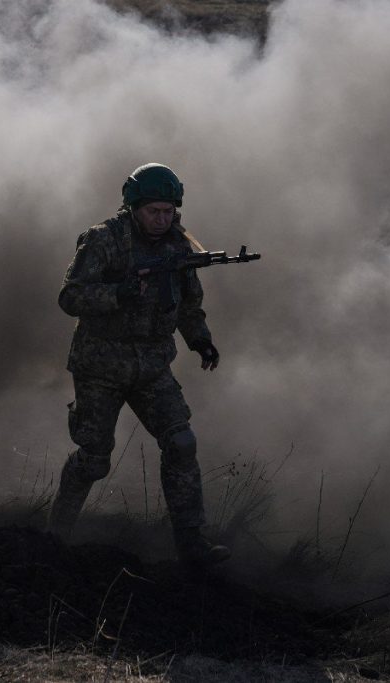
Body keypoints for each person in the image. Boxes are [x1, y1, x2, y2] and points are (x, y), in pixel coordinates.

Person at [48, 162, 230, 570]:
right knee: (94, 459)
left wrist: (200, 340)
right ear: (133, 207)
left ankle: (192, 545)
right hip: (100, 365)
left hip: (151, 366)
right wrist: (119, 293)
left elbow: (186, 304)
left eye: (168, 211)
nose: (162, 219)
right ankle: (54, 536)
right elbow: (71, 297)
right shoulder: (103, 241)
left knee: (181, 443)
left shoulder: (179, 246)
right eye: (154, 212)